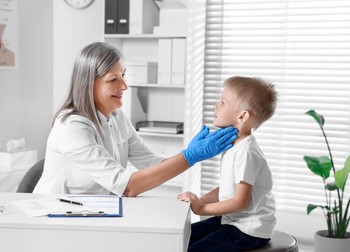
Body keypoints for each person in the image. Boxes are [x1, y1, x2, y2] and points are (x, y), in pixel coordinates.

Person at [33, 42, 238, 197]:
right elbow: (128, 187)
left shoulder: (117, 117)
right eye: (113, 79)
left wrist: (188, 155)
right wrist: (189, 157)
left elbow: (151, 164)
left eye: (123, 75)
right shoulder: (72, 126)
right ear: (88, 84)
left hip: (92, 211)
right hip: (54, 215)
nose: (124, 86)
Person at [178, 76, 278, 252]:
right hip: (232, 220)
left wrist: (201, 209)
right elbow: (227, 189)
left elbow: (240, 202)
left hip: (249, 229)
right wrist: (199, 200)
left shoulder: (246, 152)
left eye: (222, 102)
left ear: (242, 116)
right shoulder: (234, 146)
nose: (216, 106)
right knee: (180, 239)